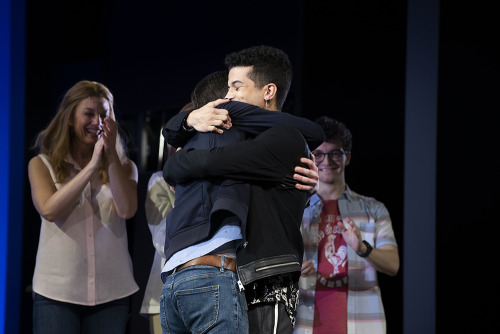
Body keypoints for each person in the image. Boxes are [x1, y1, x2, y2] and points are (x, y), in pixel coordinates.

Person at [162, 45, 323, 334]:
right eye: (227, 89)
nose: (228, 97)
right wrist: (187, 120)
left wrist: (177, 163)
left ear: (268, 92)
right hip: (242, 277)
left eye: (237, 87)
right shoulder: (245, 137)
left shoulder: (285, 138)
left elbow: (215, 162)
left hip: (268, 281)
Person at [28, 80, 139, 334]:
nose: (97, 122)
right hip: (57, 294)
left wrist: (109, 155)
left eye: (104, 115)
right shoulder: (41, 164)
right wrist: (91, 167)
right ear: (69, 118)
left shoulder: (125, 167)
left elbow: (126, 210)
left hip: (112, 293)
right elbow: (49, 210)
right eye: (89, 114)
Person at [293, 116, 400, 334]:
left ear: (347, 157)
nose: (327, 161)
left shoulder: (373, 209)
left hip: (362, 324)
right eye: (319, 154)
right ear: (311, 158)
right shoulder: (296, 211)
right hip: (305, 322)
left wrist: (362, 248)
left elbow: (392, 265)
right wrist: (294, 269)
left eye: (335, 153)